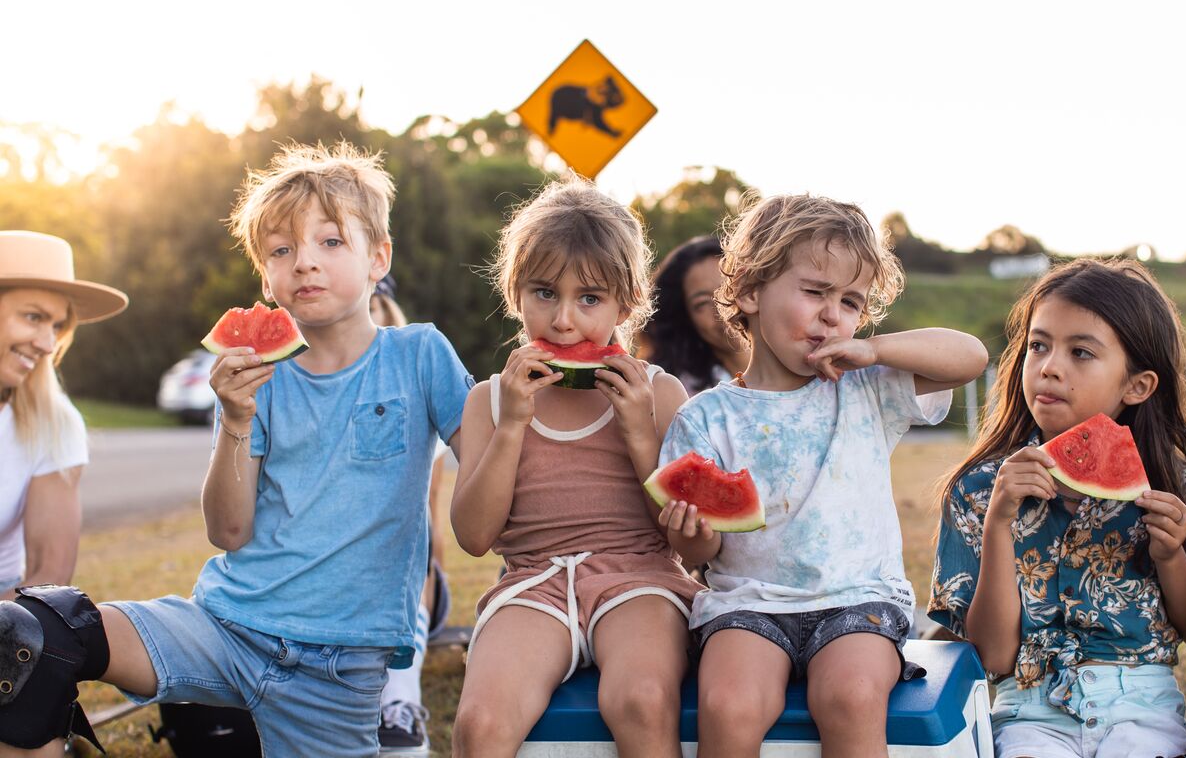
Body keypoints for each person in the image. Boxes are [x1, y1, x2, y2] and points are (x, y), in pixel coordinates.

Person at [0, 142, 475, 757]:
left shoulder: (420, 356)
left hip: (335, 668)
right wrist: (235, 417)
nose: (304, 263)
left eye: (330, 242)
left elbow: (487, 498)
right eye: (282, 251)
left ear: (378, 257)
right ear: (266, 276)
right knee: (35, 633)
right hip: (223, 627)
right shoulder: (261, 377)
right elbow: (227, 530)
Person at [659, 193, 988, 757]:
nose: (833, 313)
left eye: (852, 302)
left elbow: (972, 355)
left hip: (858, 601)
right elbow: (696, 552)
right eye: (814, 292)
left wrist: (876, 348)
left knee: (853, 696)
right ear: (749, 292)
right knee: (727, 706)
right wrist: (690, 533)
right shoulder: (704, 416)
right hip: (748, 603)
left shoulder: (868, 387)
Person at [928, 258, 1186, 758]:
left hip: (1142, 705)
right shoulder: (978, 489)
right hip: (1029, 710)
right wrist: (1000, 520)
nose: (1050, 366)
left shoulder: (1170, 482)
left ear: (1138, 386)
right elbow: (995, 658)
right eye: (1038, 345)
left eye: (1081, 352)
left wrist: (1171, 555)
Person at [448, 177, 702, 758]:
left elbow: (685, 543)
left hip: (641, 578)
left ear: (626, 304)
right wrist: (512, 423)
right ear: (515, 292)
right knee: (480, 724)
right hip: (532, 581)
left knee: (641, 699)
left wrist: (640, 431)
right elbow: (474, 536)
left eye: (589, 299)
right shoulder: (488, 400)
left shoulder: (660, 393)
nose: (563, 321)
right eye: (543, 293)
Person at [0, 231, 127, 595]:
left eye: (56, 325)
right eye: (33, 317)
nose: (47, 344)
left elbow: (48, 573)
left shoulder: (54, 422)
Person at [367, 274, 453, 756]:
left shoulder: (418, 397)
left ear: (390, 317)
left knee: (408, 549)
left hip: (416, 581)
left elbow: (431, 524)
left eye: (375, 307)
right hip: (339, 582)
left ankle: (400, 700)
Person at [639, 235, 750, 396]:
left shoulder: (796, 365)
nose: (722, 309)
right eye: (702, 303)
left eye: (729, 289)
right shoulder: (681, 395)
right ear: (686, 319)